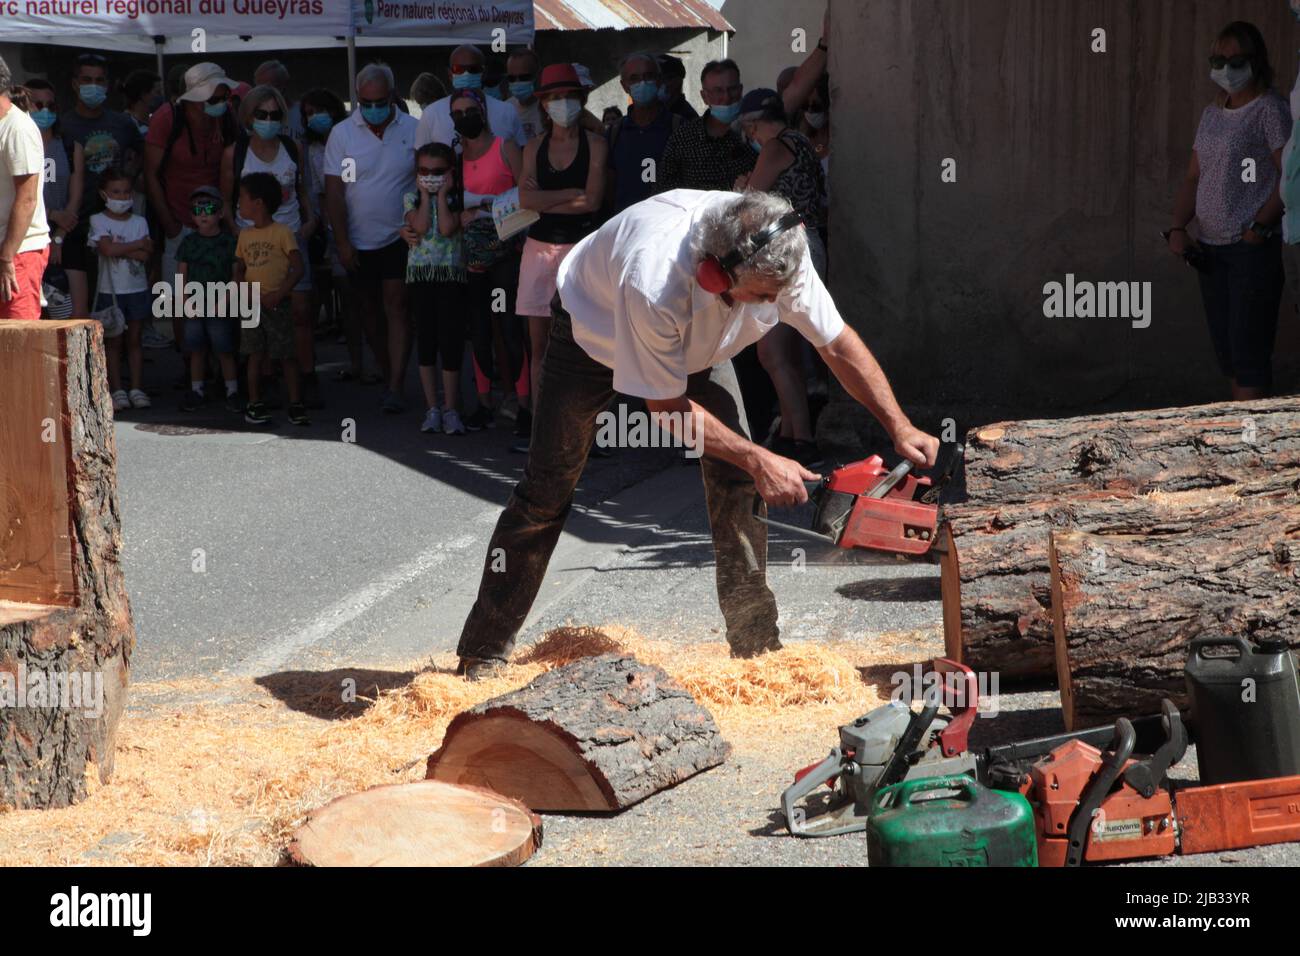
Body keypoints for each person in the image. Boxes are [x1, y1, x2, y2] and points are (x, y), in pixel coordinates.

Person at [452, 190, 939, 679]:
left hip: (699, 350)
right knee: (546, 490)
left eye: (776, 294)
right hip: (592, 337)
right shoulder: (654, 279)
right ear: (715, 274)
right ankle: (484, 649)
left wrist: (898, 425)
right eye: (762, 295)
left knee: (738, 478)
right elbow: (666, 409)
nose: (774, 305)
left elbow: (835, 344)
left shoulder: (780, 252)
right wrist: (760, 457)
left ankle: (755, 644)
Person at [1167, 21, 1291, 399]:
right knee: (1231, 355)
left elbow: (1291, 177)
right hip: (1210, 251)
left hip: (1249, 252)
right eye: (1218, 59)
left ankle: (1251, 448)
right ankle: (1238, 442)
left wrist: (1261, 225)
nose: (1226, 68)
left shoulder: (1270, 110)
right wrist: (1177, 227)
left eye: (1236, 60)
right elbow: (1193, 177)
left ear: (1255, 62)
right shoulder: (1212, 114)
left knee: (1249, 355)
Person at [736, 88, 829, 468]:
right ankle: (792, 433)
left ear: (754, 124)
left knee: (772, 351)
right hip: (804, 246)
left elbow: (748, 200)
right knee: (785, 349)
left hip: (788, 249)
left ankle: (802, 440)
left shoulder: (776, 146)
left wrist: (741, 182)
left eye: (750, 131)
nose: (751, 139)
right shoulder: (802, 143)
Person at [516, 64, 606, 454]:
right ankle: (544, 431)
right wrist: (571, 194)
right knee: (541, 348)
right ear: (543, 103)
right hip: (539, 251)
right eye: (553, 98)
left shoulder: (596, 145)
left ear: (581, 98)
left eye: (568, 96)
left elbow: (594, 201)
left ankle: (590, 432)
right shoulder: (534, 148)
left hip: (582, 252)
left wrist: (547, 201)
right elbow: (525, 202)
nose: (561, 104)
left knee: (591, 345)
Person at [324, 63, 418, 413]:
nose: (373, 107)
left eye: (380, 101)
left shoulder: (414, 129)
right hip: (358, 239)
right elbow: (334, 193)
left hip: (401, 237)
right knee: (369, 312)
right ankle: (387, 369)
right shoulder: (342, 134)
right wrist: (343, 242)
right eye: (366, 101)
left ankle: (395, 385)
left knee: (396, 305)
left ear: (393, 97)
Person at [221, 85, 320, 407]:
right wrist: (236, 229)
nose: (268, 120)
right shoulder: (235, 153)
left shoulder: (293, 148)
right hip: (251, 243)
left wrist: (310, 221)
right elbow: (226, 199)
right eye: (261, 114)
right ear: (249, 117)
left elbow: (304, 189)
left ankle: (306, 377)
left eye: (275, 115)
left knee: (301, 312)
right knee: (257, 313)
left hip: (290, 236)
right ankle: (264, 381)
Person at [145, 62, 237, 355]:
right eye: (214, 98)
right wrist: (170, 223)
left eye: (224, 97)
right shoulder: (166, 119)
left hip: (216, 223)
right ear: (195, 98)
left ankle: (221, 366)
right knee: (181, 301)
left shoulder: (227, 119)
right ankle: (190, 367)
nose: (221, 104)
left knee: (221, 295)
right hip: (180, 223)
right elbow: (151, 175)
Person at [452, 87, 527, 436]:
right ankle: (484, 403)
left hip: (508, 252)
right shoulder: (455, 158)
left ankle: (524, 403)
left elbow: (527, 196)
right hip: (473, 257)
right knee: (479, 332)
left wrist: (481, 207)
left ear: (483, 111)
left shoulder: (506, 147)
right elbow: (452, 209)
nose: (464, 117)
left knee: (511, 329)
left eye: (470, 110)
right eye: (457, 113)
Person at [60, 53, 143, 318]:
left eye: (99, 80)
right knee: (81, 305)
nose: (93, 86)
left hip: (118, 226)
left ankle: (116, 357)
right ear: (74, 83)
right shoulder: (63, 125)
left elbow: (143, 156)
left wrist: (129, 174)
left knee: (119, 302)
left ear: (107, 85)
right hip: (77, 225)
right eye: (87, 80)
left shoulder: (123, 124)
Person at [404, 142, 469, 435]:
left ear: (450, 172)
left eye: (438, 172)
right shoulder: (411, 198)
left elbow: (444, 228)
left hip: (450, 277)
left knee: (450, 338)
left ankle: (451, 408)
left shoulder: (457, 199)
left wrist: (442, 194)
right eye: (424, 171)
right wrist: (424, 195)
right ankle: (432, 408)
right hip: (421, 277)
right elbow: (418, 227)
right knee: (427, 339)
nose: (430, 176)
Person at [301, 88, 363, 380]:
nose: (314, 118)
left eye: (318, 111)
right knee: (324, 296)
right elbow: (315, 191)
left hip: (356, 225)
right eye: (308, 114)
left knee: (359, 299)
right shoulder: (311, 149)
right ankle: (316, 364)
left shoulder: (351, 139)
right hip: (323, 232)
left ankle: (368, 363)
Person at [235, 171, 306, 426]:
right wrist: (243, 289)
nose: (239, 204)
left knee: (286, 355)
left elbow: (298, 268)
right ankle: (255, 403)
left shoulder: (282, 232)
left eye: (242, 198)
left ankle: (296, 403)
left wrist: (280, 293)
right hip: (252, 305)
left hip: (278, 304)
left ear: (259, 203)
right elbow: (239, 266)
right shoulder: (244, 235)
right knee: (254, 354)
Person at [89, 167, 151, 408]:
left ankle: (136, 388)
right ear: (104, 194)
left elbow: (146, 256)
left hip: (137, 288)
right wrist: (136, 246)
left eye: (126, 192)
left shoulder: (140, 221)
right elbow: (106, 250)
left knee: (135, 339)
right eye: (116, 192)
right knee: (113, 341)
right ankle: (117, 390)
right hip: (110, 290)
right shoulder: (97, 220)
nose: (122, 197)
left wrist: (123, 249)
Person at [177, 186, 239, 413]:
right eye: (197, 209)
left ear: (221, 213)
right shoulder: (188, 242)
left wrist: (225, 301)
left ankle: (232, 391)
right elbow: (181, 274)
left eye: (209, 208)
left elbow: (236, 276)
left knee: (224, 349)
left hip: (221, 305)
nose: (203, 214)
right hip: (194, 304)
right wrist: (184, 301)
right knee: (196, 349)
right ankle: (197, 390)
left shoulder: (230, 242)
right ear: (192, 215)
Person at [0, 56, 50, 321]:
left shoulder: (17, 128)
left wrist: (7, 258)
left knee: (18, 343)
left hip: (18, 252)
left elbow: (27, 199)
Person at [25, 80, 84, 300]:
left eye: (51, 105)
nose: (45, 111)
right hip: (28, 233)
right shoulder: (15, 145)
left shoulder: (70, 146)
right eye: (38, 105)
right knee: (36, 313)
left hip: (66, 231)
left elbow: (75, 197)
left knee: (75, 315)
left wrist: (59, 235)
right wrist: (51, 214)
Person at [605, 52, 683, 216]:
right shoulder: (614, 134)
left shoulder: (680, 128)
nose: (642, 83)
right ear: (624, 86)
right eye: (634, 78)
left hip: (667, 227)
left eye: (648, 76)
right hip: (626, 227)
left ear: (659, 80)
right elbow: (609, 191)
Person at [661, 59, 754, 192]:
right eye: (718, 91)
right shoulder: (683, 138)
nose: (726, 97)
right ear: (704, 96)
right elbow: (664, 191)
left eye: (732, 89)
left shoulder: (756, 134)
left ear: (740, 90)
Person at [414, 45, 525, 152]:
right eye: (458, 69)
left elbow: (521, 156)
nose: (466, 74)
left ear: (484, 73)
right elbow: (420, 159)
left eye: (473, 69)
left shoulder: (507, 111)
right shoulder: (431, 115)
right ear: (450, 74)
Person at [253, 60, 303, 142]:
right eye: (258, 88)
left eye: (268, 86)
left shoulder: (304, 113)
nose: (262, 92)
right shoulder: (255, 116)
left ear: (284, 85)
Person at [505, 48, 544, 143]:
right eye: (512, 78)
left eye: (524, 77)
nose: (517, 82)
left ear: (537, 75)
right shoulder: (505, 109)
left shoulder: (550, 109)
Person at [657, 54, 699, 120]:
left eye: (668, 78)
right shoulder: (654, 111)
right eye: (658, 78)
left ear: (679, 81)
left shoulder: (688, 117)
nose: (662, 83)